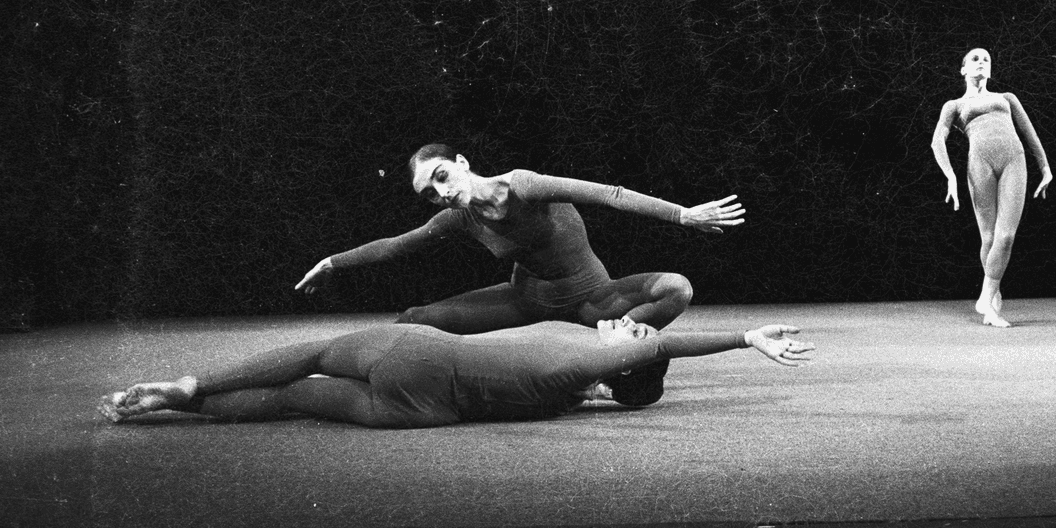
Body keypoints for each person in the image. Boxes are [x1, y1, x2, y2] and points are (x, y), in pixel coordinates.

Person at [295, 142, 744, 334]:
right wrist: (334, 262)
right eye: (429, 194)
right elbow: (399, 245)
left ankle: (625, 342)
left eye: (441, 176)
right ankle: (365, 368)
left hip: (593, 299)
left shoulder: (524, 186)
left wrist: (683, 215)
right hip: (526, 298)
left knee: (676, 288)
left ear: (462, 162)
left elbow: (611, 195)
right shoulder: (459, 218)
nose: (442, 192)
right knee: (415, 317)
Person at [97, 318, 814, 427]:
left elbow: (658, 350)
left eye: (634, 334)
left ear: (612, 372)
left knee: (309, 360)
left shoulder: (591, 359)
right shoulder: (567, 388)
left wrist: (744, 338)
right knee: (293, 400)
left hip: (422, 354)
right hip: (416, 412)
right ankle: (183, 405)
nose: (630, 326)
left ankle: (192, 387)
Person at [930, 47, 1053, 327]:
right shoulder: (954, 105)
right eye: (975, 59)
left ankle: (986, 296)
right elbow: (938, 141)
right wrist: (950, 175)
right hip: (980, 164)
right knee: (988, 238)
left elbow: (1029, 133)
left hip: (1014, 160)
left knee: (1006, 237)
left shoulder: (1006, 98)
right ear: (963, 69)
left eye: (986, 59)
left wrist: (1045, 167)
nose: (981, 62)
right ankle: (992, 308)